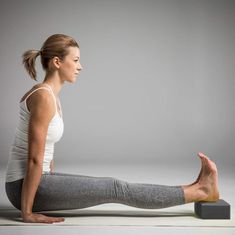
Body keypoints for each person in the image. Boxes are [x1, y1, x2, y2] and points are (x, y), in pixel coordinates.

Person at [5, 34, 219, 224]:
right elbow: (34, 159)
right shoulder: (44, 96)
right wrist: (28, 213)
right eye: (76, 60)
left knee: (112, 185)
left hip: (37, 181)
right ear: (57, 62)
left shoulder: (50, 95)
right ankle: (199, 191)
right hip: (24, 187)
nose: (81, 66)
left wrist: (57, 182)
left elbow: (45, 149)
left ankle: (197, 186)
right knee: (115, 188)